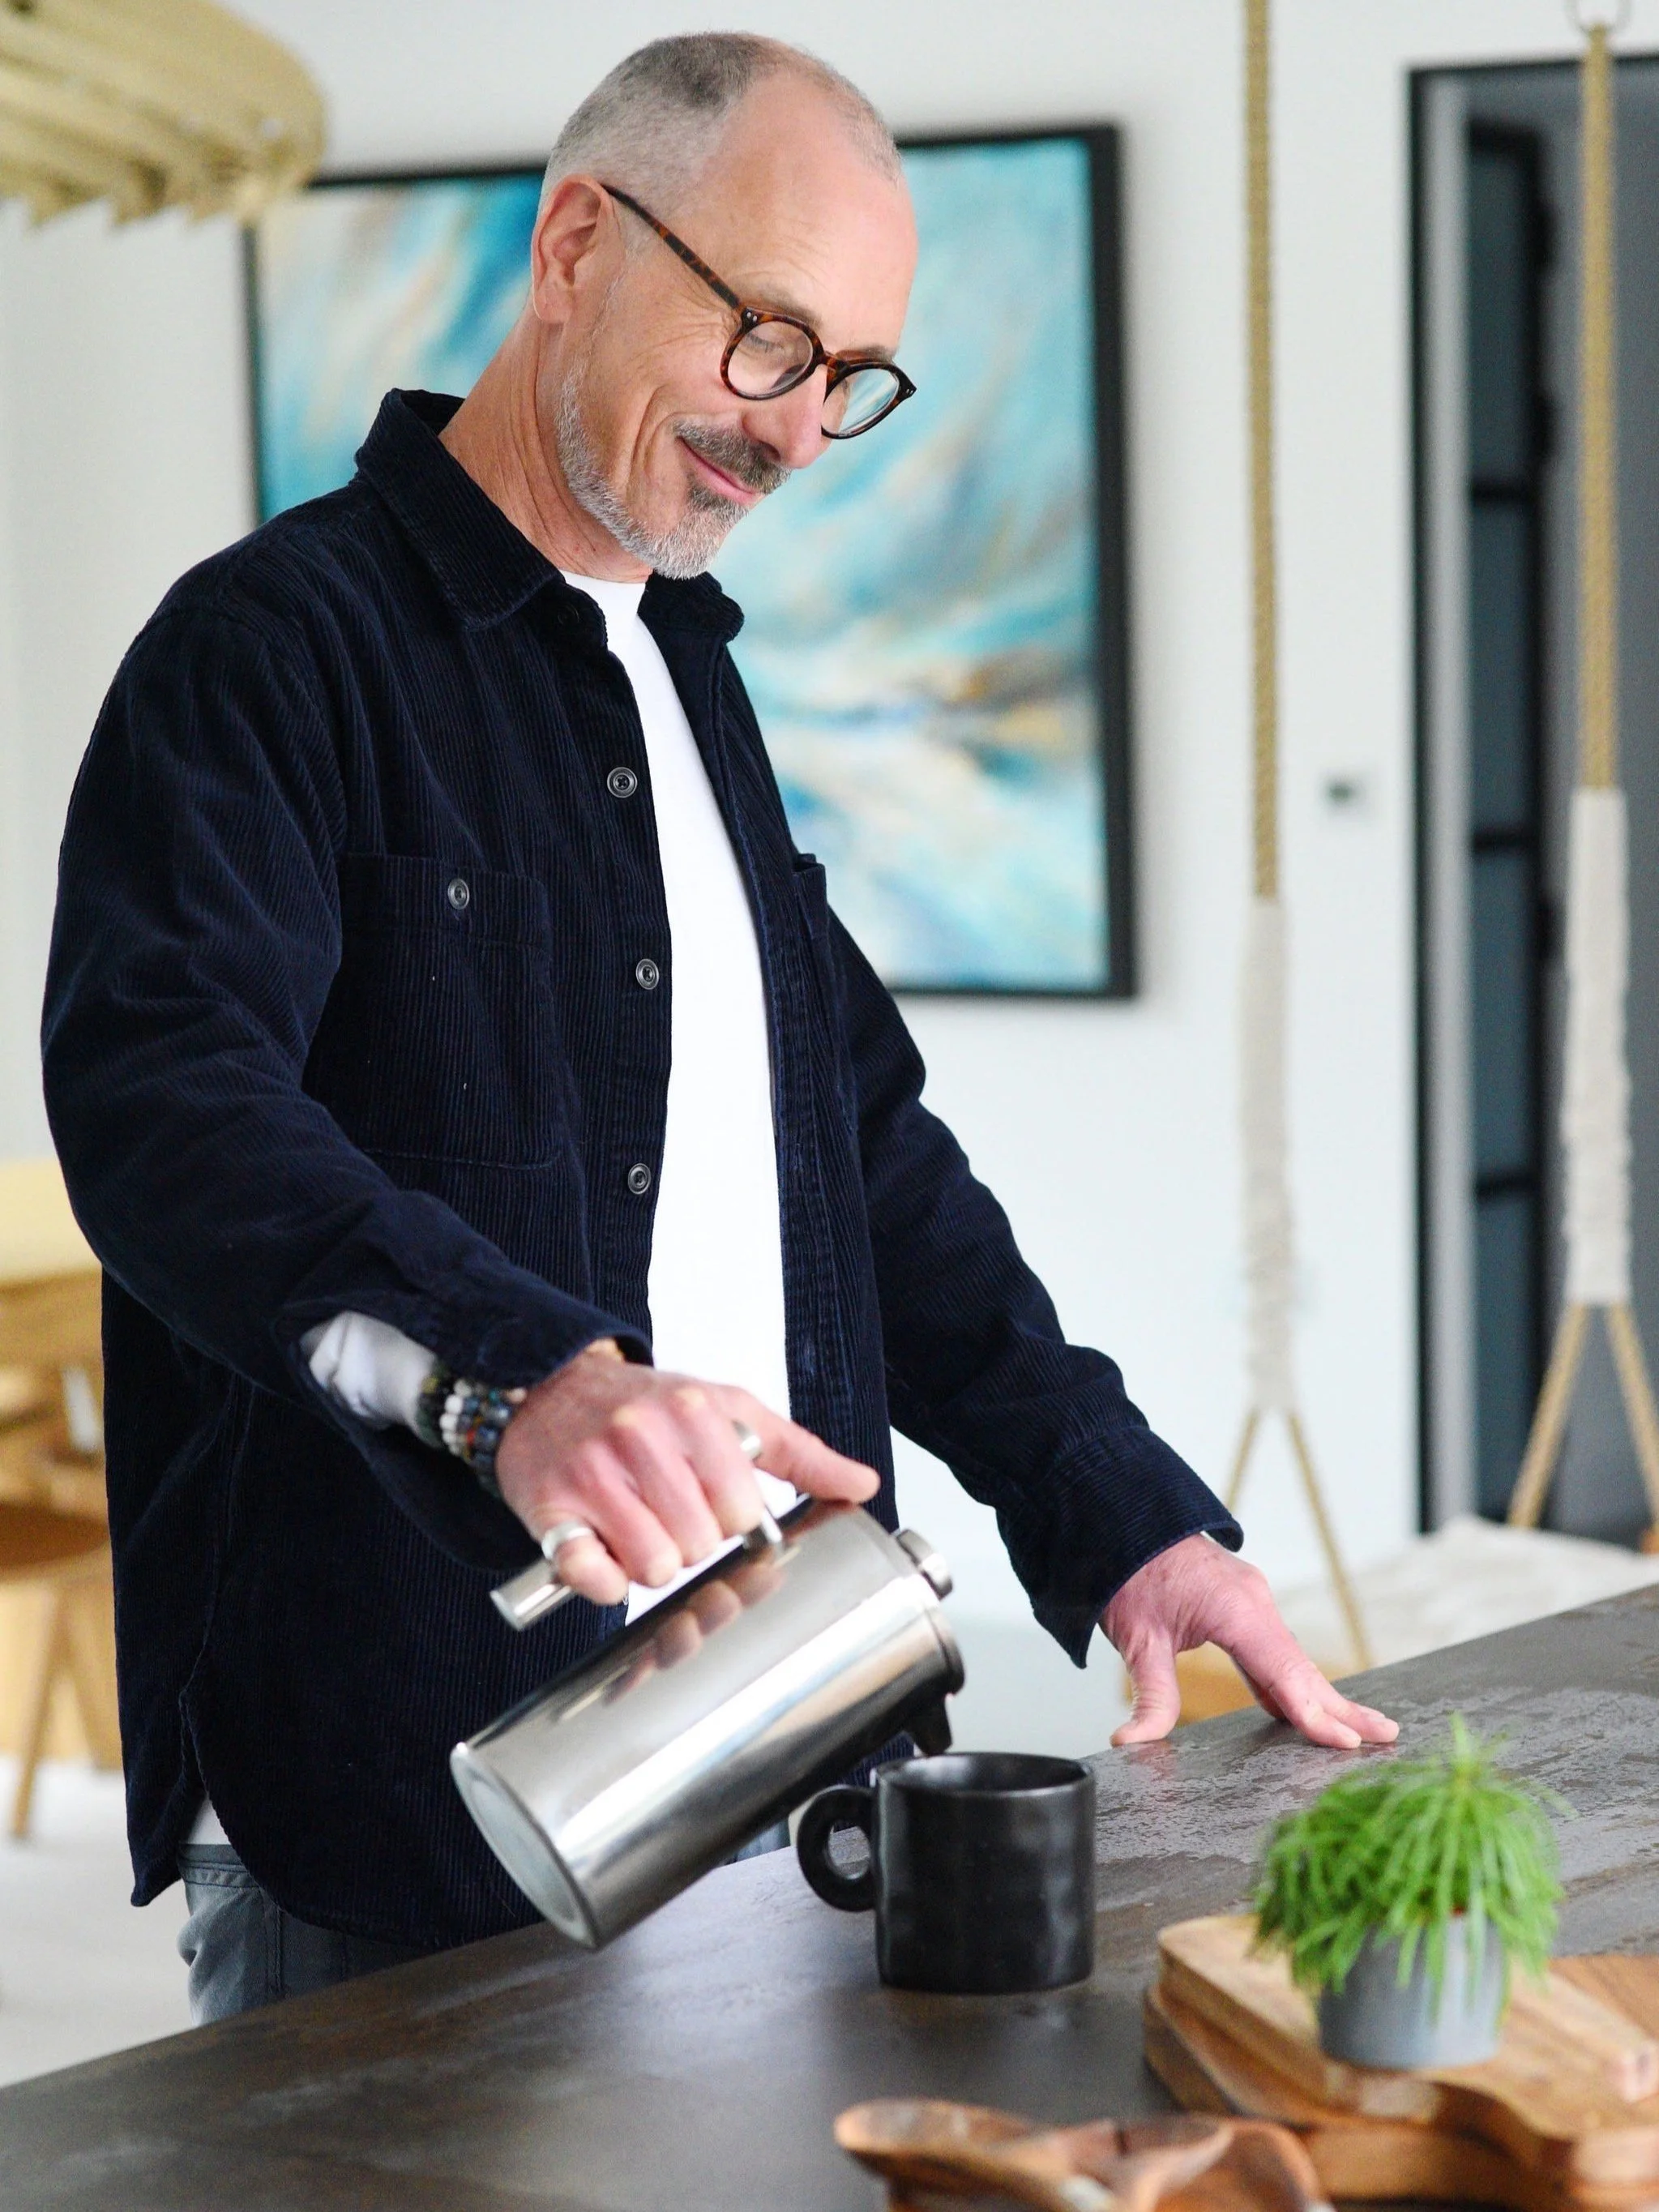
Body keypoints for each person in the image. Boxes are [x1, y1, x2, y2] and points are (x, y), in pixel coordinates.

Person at [42, 32, 1394, 2023]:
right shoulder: (269, 652)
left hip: (794, 1756)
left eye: (849, 375)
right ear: (578, 241)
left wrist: (1116, 1515)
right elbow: (165, 1108)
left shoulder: (688, 677)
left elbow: (858, 1149)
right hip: (413, 1827)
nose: (798, 428)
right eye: (767, 336)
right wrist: (521, 1382)